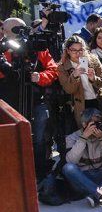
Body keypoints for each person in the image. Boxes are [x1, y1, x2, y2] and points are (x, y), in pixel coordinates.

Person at [0, 17, 59, 180]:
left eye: (21, 28)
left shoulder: (36, 46)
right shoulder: (2, 48)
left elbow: (53, 70)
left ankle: (38, 174)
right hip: (8, 104)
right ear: (4, 31)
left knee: (38, 139)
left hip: (35, 101)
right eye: (14, 30)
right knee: (9, 139)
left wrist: (39, 76)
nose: (18, 33)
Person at [57, 35, 102, 128]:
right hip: (81, 104)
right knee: (86, 131)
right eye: (74, 50)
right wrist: (75, 76)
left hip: (98, 100)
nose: (78, 53)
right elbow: (69, 90)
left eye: (81, 50)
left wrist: (93, 78)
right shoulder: (62, 67)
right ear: (68, 51)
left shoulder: (93, 60)